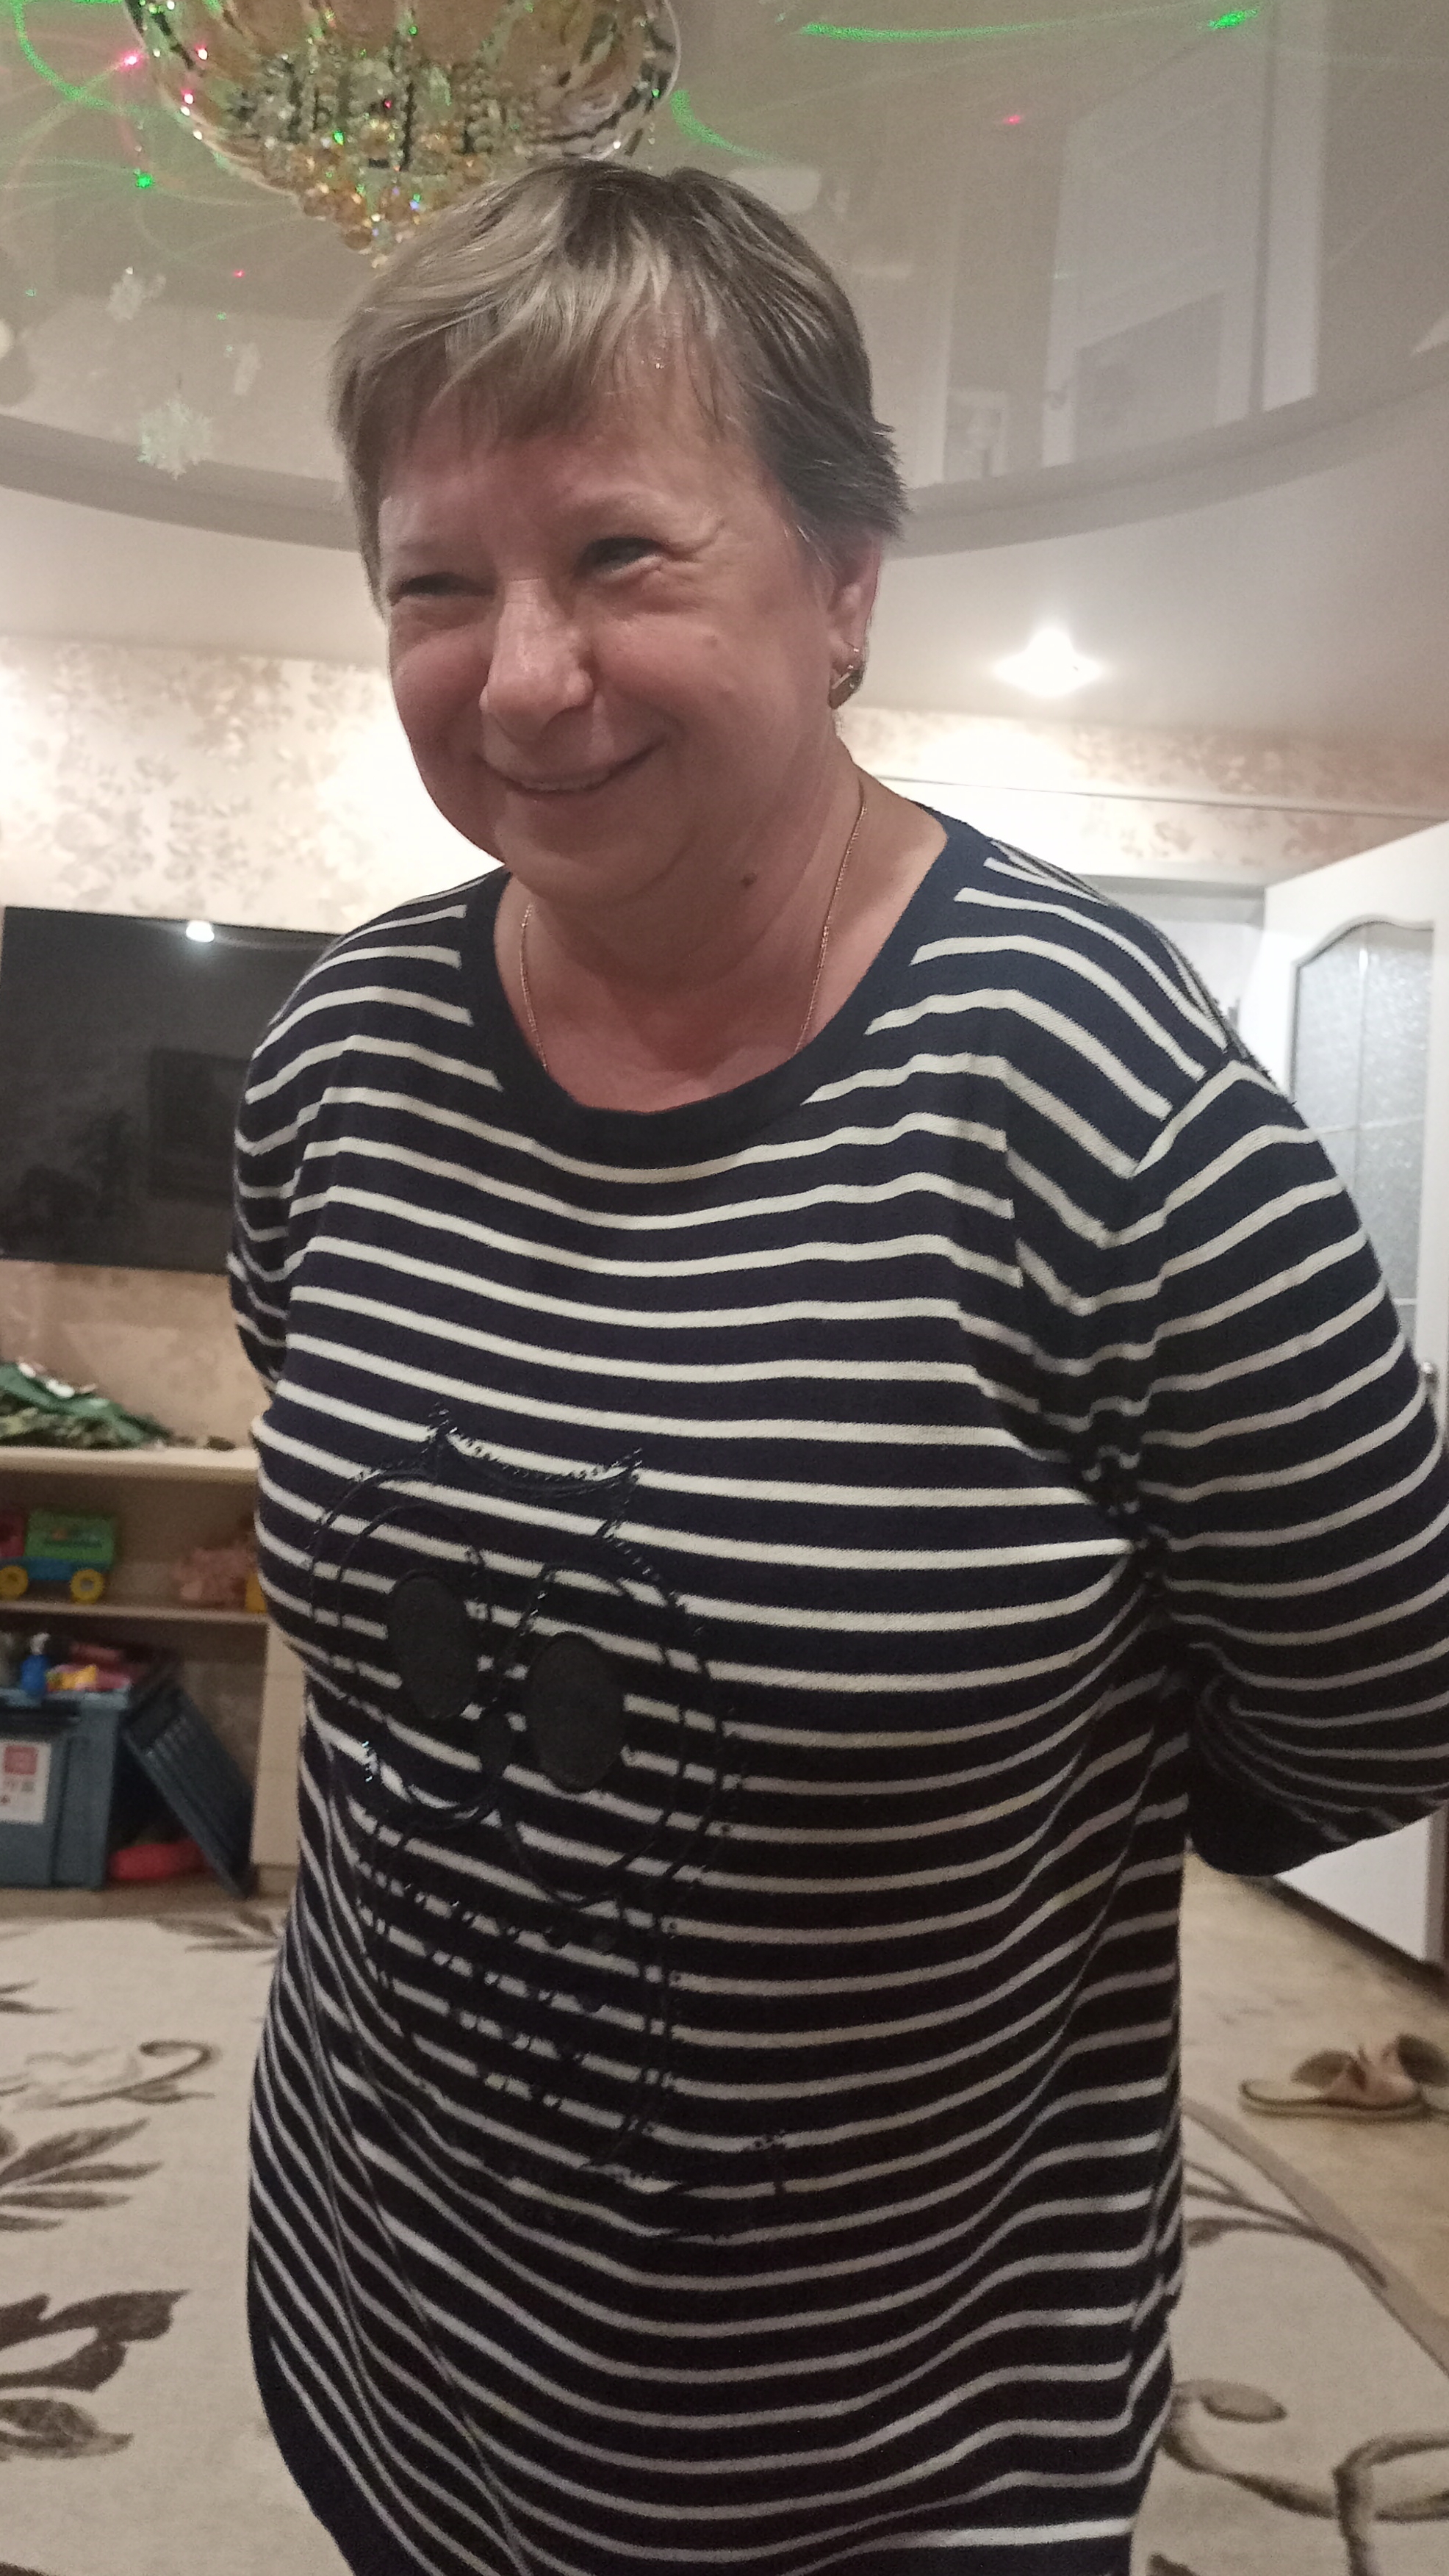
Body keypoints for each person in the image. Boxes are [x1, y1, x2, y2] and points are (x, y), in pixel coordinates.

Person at [231, 162, 1449, 2576]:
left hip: (874, 2457)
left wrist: (989, 1807)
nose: (522, 675)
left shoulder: (1103, 1105)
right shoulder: (337, 1058)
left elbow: (1376, 1706)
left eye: (621, 553)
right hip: (371, 2312)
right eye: (436, 584)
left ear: (847, 582)